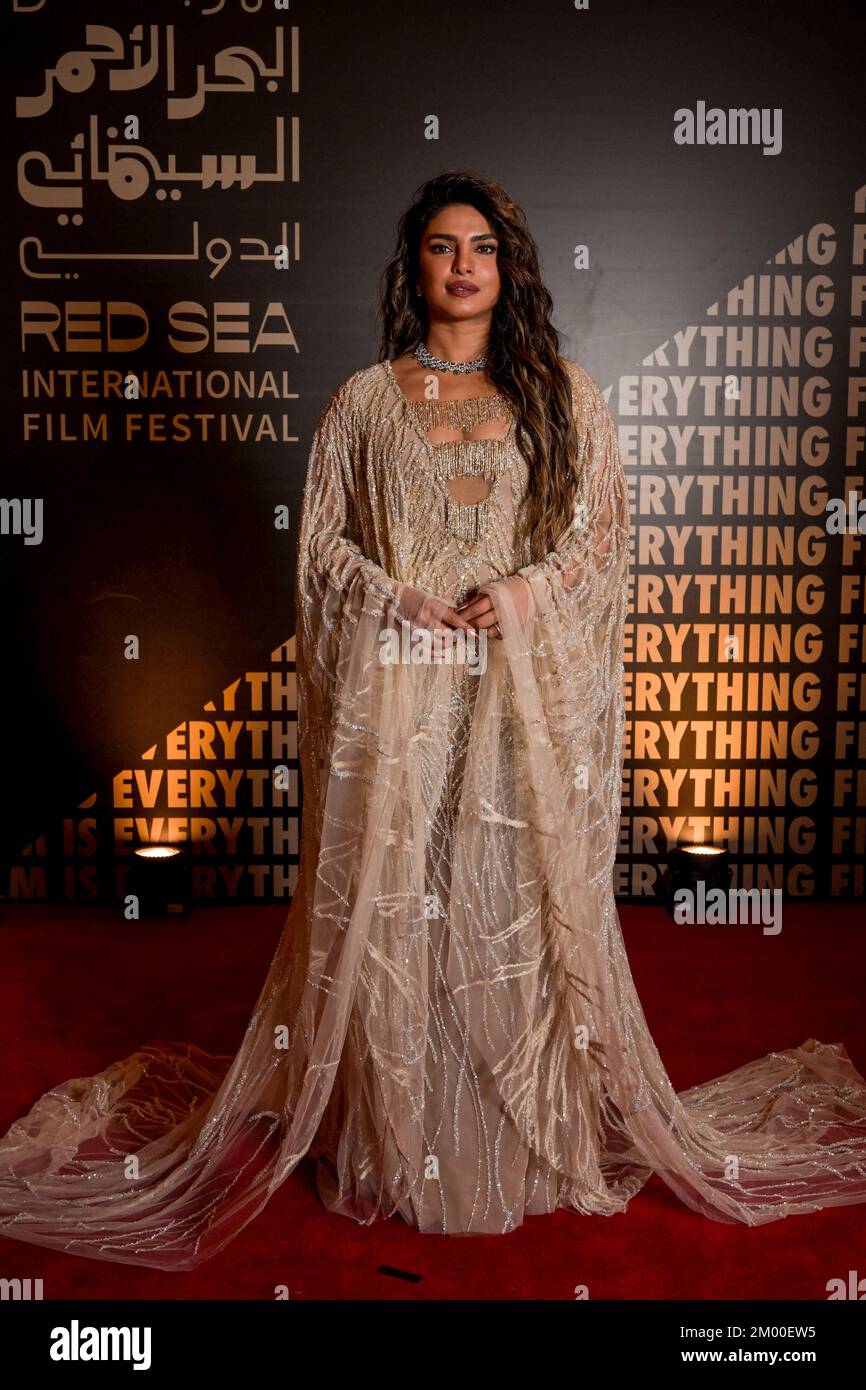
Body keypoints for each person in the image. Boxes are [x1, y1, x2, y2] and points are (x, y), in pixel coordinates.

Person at [1, 170, 865, 1272]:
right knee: (401, 903)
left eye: (483, 249)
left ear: (508, 269)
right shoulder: (363, 404)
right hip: (400, 695)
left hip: (513, 702)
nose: (463, 265)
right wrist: (394, 598)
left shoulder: (558, 390)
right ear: (413, 266)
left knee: (507, 902)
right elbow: (321, 549)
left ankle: (516, 1142)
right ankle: (401, 1143)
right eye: (442, 247)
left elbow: (598, 537)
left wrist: (521, 595)